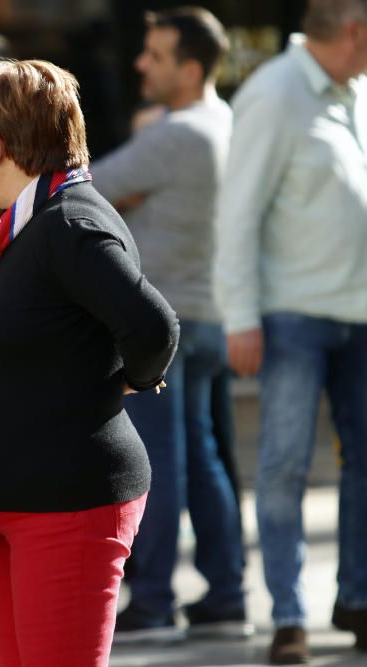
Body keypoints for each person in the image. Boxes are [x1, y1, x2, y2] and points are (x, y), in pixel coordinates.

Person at [0, 59, 179, 666]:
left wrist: (127, 381)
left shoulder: (68, 222)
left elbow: (154, 325)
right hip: (13, 499)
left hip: (66, 502)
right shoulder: (28, 222)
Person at [90, 7, 250, 643]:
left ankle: (154, 597)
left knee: (158, 466)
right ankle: (227, 591)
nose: (139, 64)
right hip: (211, 311)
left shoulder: (176, 134)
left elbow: (85, 193)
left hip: (166, 322)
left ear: (189, 68)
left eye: (153, 56)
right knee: (208, 462)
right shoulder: (226, 122)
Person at [214, 0, 367, 662]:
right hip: (291, 317)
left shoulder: (357, 89)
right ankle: (288, 615)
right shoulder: (273, 93)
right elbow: (237, 213)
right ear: (357, 33)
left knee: (365, 466)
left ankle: (357, 598)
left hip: (360, 315)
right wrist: (240, 314)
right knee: (281, 466)